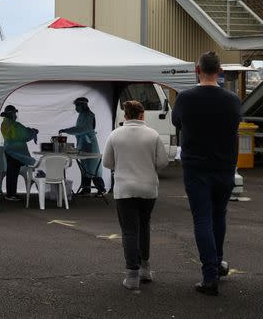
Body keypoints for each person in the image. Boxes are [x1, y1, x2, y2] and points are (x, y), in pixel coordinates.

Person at [172, 51, 241, 296]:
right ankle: (218, 262)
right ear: (219, 71)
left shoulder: (185, 98)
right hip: (224, 166)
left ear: (197, 70)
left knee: (202, 218)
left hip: (196, 166)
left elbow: (176, 123)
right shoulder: (232, 100)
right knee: (219, 215)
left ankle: (209, 274)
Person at [103, 100, 169, 290]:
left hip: (124, 189)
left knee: (129, 230)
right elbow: (163, 161)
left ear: (125, 115)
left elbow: (107, 162)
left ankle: (132, 275)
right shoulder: (153, 134)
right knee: (144, 226)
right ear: (142, 115)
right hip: (148, 188)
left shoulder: (115, 135)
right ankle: (145, 269)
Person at [60, 97, 106, 195]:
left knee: (93, 168)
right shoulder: (82, 114)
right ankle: (86, 189)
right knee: (84, 168)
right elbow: (79, 129)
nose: (76, 108)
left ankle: (101, 189)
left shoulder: (89, 115)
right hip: (83, 143)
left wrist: (66, 130)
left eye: (77, 105)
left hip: (90, 145)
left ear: (82, 105)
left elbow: (81, 129)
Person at [0, 105, 38, 201]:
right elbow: (24, 134)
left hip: (9, 151)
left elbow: (21, 132)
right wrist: (33, 131)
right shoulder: (13, 124)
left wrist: (30, 131)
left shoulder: (4, 123)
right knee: (12, 173)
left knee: (12, 173)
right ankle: (10, 194)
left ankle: (11, 193)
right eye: (14, 113)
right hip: (15, 153)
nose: (15, 115)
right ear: (11, 114)